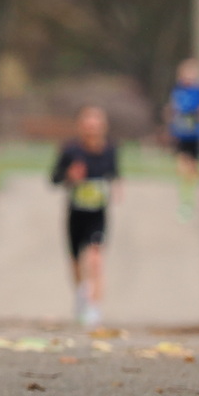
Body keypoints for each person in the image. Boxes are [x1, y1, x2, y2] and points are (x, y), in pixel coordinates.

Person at [53, 105, 120, 329]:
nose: (92, 130)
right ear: (81, 127)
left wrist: (117, 186)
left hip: (98, 214)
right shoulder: (71, 151)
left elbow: (114, 173)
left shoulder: (110, 149)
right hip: (76, 213)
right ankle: (81, 296)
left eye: (96, 126)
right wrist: (70, 176)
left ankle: (94, 306)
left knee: (95, 259)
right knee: (75, 262)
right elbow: (54, 178)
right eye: (88, 126)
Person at [166, 57, 199, 215]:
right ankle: (185, 199)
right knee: (182, 167)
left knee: (193, 170)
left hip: (196, 135)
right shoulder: (176, 90)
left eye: (192, 73)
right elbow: (171, 110)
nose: (189, 76)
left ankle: (191, 197)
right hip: (181, 135)